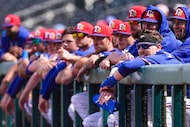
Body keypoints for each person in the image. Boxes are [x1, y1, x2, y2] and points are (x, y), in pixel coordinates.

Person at [97, 29, 183, 127]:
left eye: (146, 46)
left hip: (181, 102)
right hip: (173, 103)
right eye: (139, 47)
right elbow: (121, 65)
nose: (141, 50)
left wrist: (108, 83)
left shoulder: (160, 57)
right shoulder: (152, 56)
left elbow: (126, 67)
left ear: (158, 47)